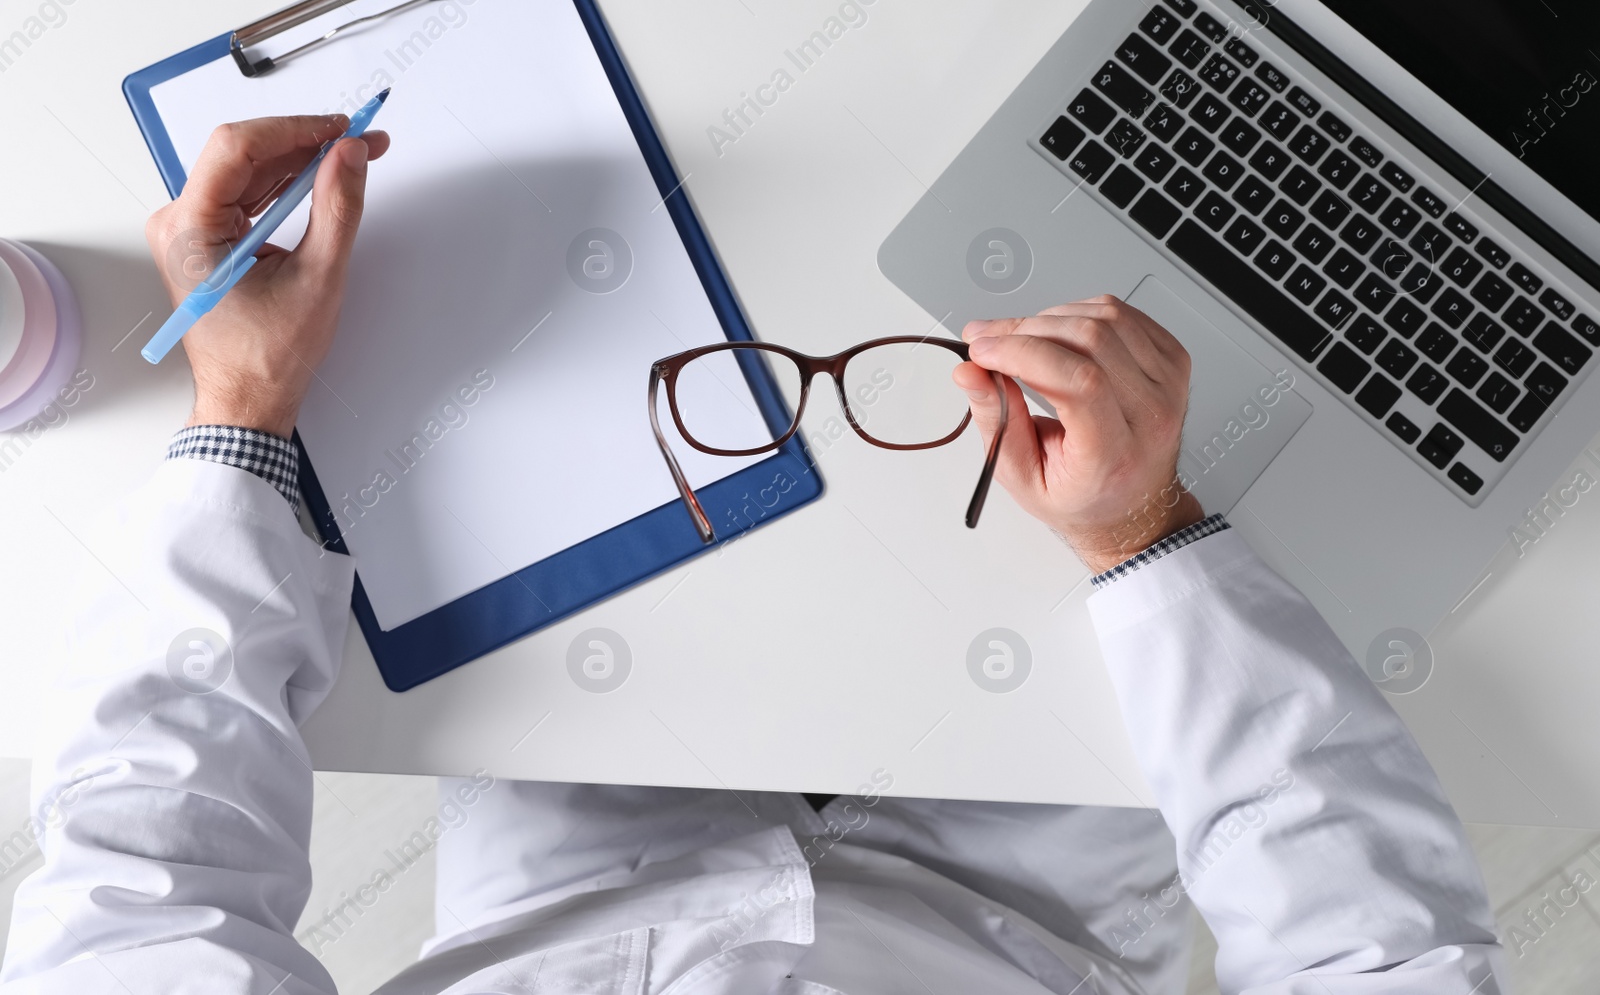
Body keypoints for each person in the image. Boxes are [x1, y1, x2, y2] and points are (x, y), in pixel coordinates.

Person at [0, 115, 1505, 994]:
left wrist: (246, 412)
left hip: (575, 853)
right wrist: (1149, 541)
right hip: (1032, 892)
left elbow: (138, 887)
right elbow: (1383, 961)